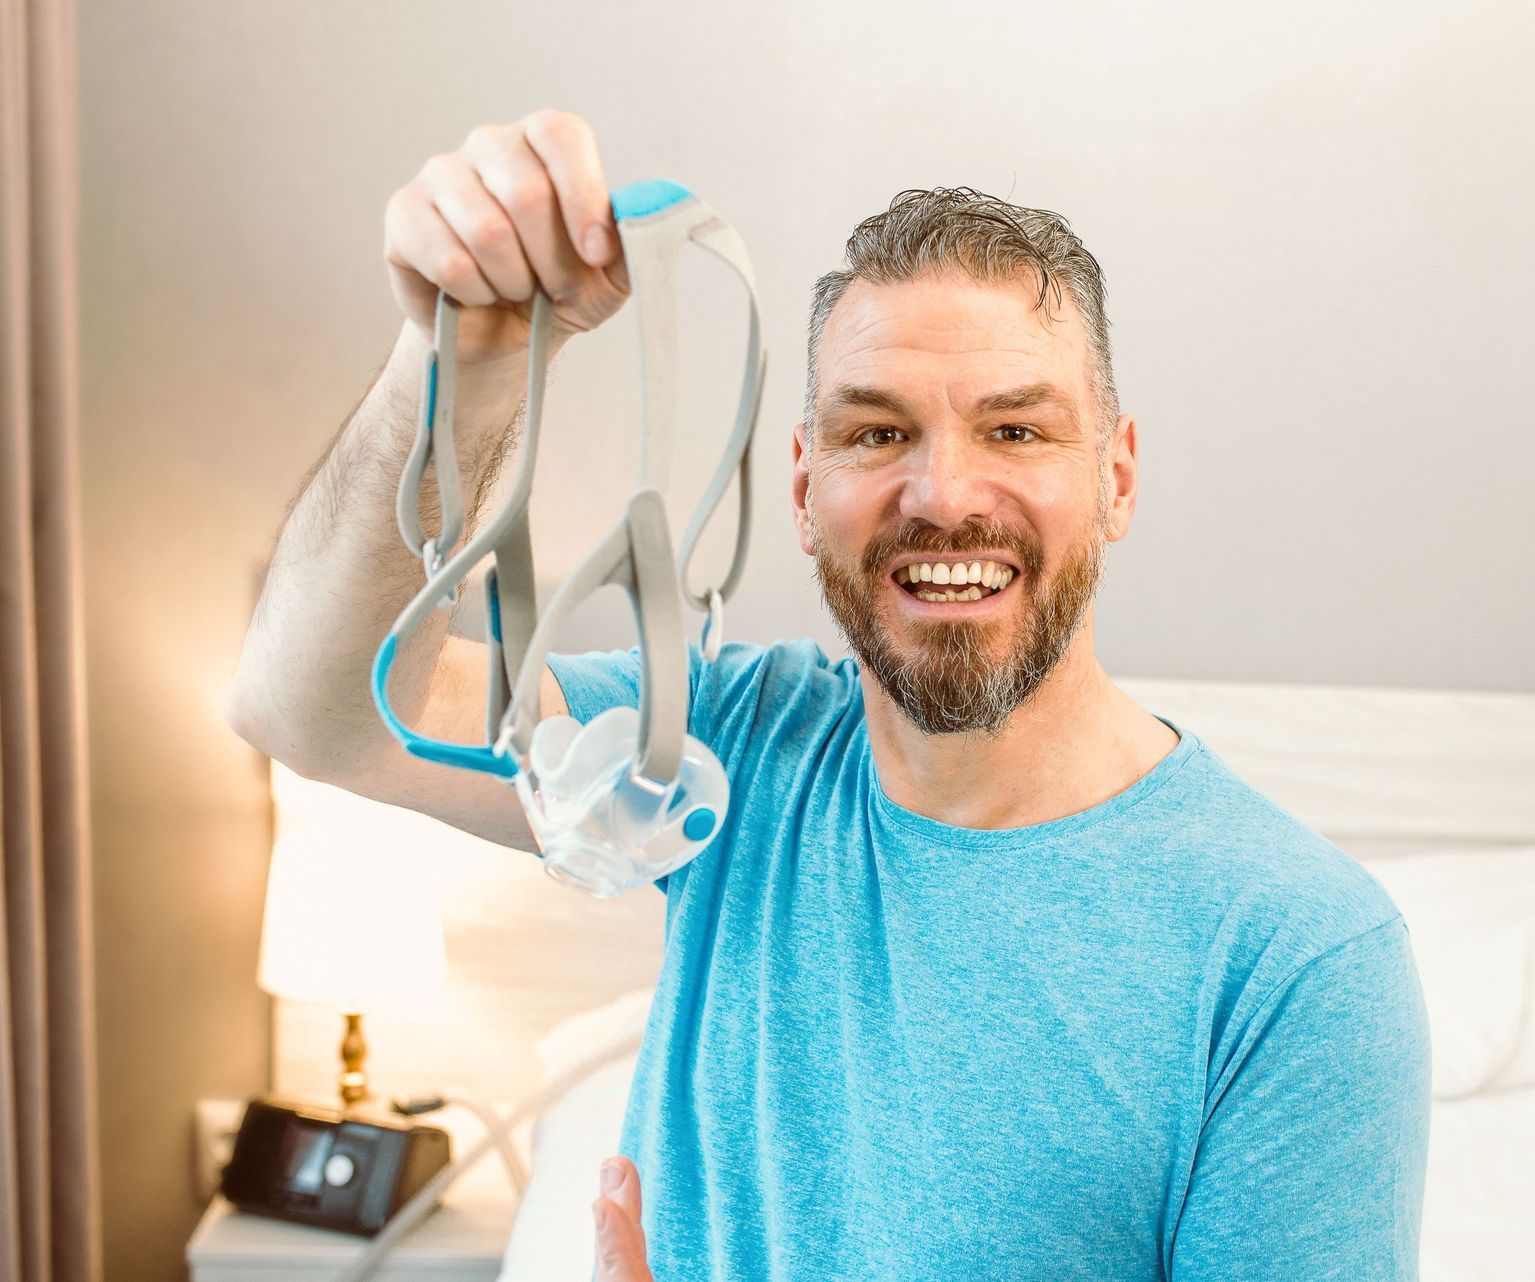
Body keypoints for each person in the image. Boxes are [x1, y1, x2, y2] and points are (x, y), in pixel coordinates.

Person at [226, 108, 1431, 1281]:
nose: (943, 493)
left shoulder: (1298, 959)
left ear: (1115, 478)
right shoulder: (720, 749)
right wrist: (458, 365)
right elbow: (316, 713)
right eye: (875, 433)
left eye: (1016, 430)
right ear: (803, 489)